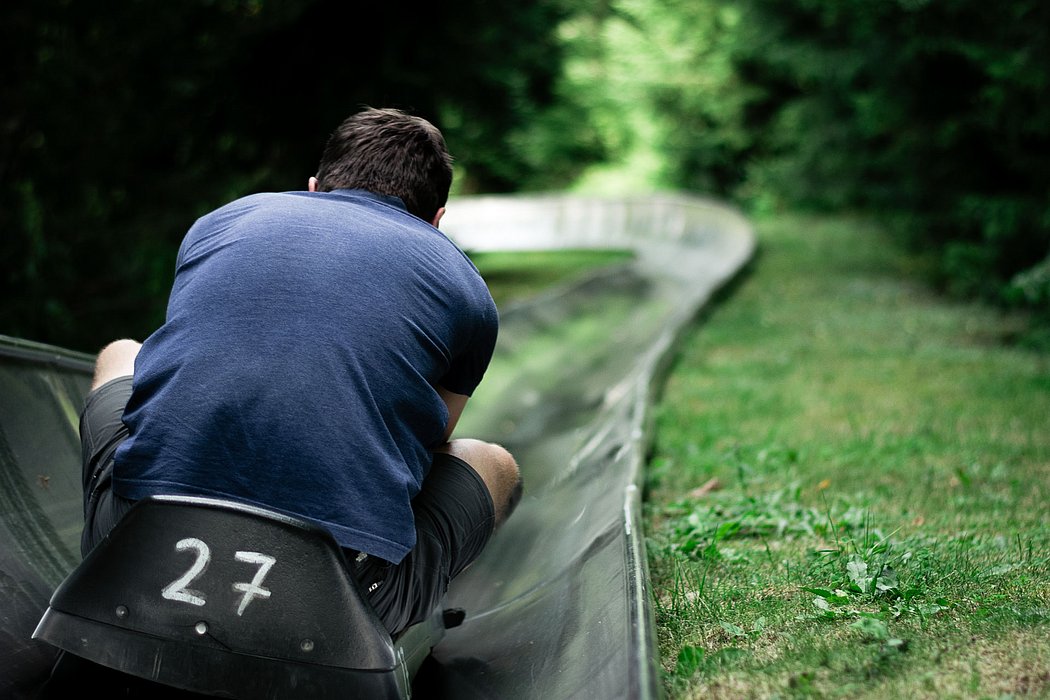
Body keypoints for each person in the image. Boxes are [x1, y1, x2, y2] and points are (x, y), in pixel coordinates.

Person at [77, 106, 522, 637]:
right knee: (494, 464)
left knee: (122, 352)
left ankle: (105, 558)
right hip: (340, 600)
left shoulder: (220, 222)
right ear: (436, 219)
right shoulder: (466, 288)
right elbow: (430, 446)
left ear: (314, 188)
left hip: (140, 539)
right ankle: (401, 616)